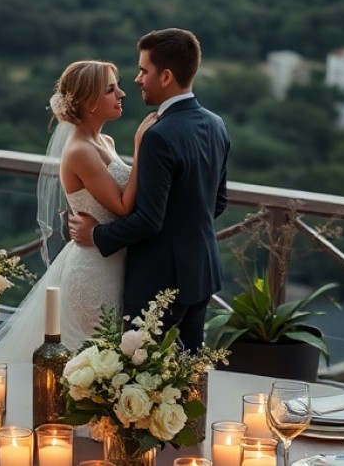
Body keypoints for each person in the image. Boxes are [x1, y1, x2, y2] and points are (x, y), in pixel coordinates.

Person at [0, 60, 150, 364]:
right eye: (110, 89)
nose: (122, 94)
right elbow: (123, 206)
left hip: (114, 258)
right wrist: (142, 146)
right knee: (92, 358)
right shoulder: (80, 150)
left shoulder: (105, 141)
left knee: (108, 359)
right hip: (94, 268)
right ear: (89, 101)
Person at [68, 28, 230, 350]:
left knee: (145, 382)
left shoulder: (158, 135)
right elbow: (218, 202)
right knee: (187, 376)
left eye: (144, 70)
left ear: (166, 76)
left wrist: (98, 235)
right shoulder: (216, 123)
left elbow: (149, 220)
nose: (138, 79)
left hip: (159, 281)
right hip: (201, 271)